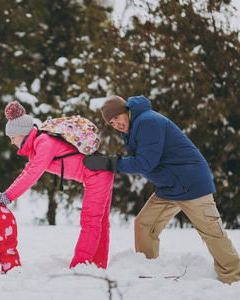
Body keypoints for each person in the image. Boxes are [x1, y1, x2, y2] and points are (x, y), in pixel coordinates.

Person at [83, 95, 240, 284]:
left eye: (117, 117)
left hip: (190, 183)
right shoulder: (132, 127)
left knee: (211, 232)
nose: (115, 123)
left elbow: (145, 162)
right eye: (111, 121)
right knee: (144, 225)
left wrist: (108, 163)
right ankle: (148, 270)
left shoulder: (147, 121)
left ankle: (235, 278)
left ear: (127, 112)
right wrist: (109, 162)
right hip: (170, 185)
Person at [0, 101, 114, 269]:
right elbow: (27, 172)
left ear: (22, 133)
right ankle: (97, 266)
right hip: (99, 173)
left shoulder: (44, 142)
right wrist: (6, 195)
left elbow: (32, 175)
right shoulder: (38, 145)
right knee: (99, 222)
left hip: (97, 174)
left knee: (91, 221)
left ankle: (81, 267)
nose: (12, 142)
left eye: (12, 138)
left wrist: (6, 197)